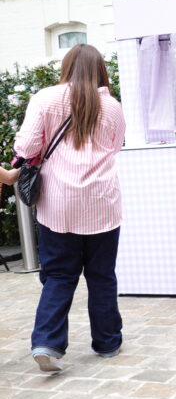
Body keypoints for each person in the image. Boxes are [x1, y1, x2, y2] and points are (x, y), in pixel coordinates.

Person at [13, 45, 125, 373]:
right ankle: (107, 342)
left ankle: (47, 343)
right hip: (102, 202)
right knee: (102, 276)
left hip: (58, 203)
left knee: (59, 276)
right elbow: (115, 146)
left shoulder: (45, 98)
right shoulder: (112, 106)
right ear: (100, 69)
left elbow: (27, 147)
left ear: (66, 67)